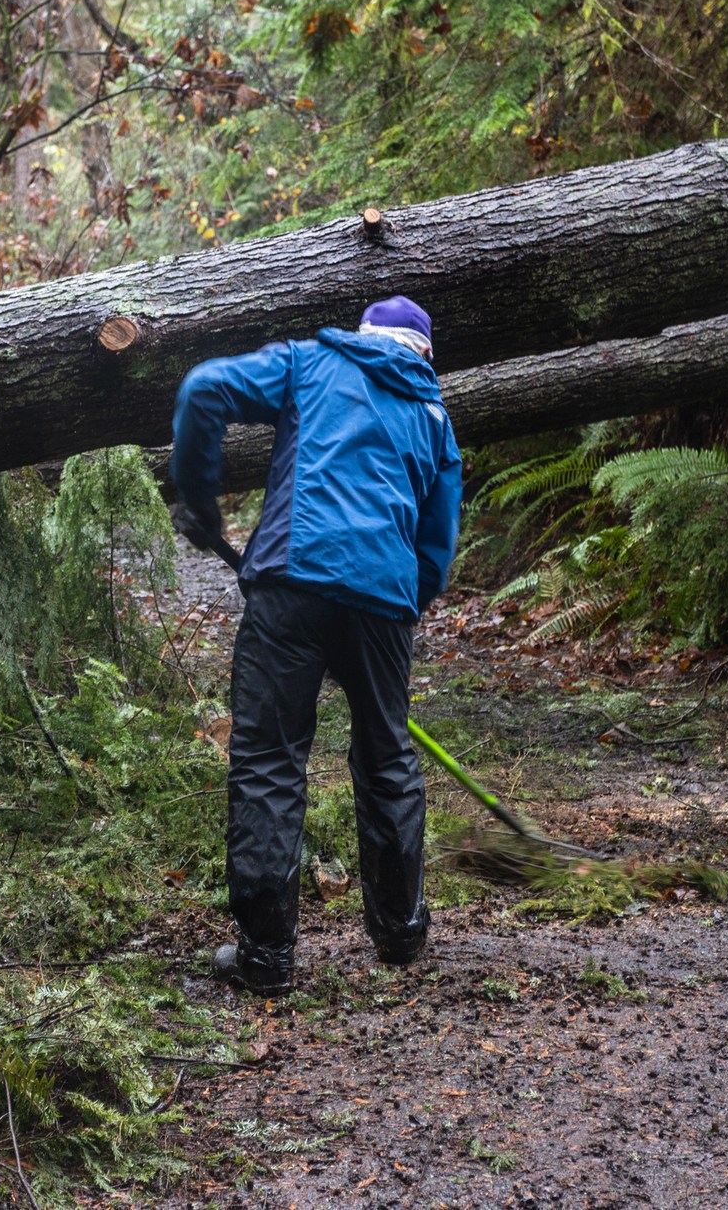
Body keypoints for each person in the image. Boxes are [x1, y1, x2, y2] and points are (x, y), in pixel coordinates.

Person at [169, 295, 462, 997]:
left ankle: (267, 958)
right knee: (388, 757)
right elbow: (436, 547)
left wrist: (200, 501)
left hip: (291, 587)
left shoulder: (310, 362)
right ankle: (401, 933)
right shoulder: (434, 419)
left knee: (271, 757)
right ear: (422, 355)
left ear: (366, 336)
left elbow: (202, 388)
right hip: (383, 605)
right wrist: (395, 607)